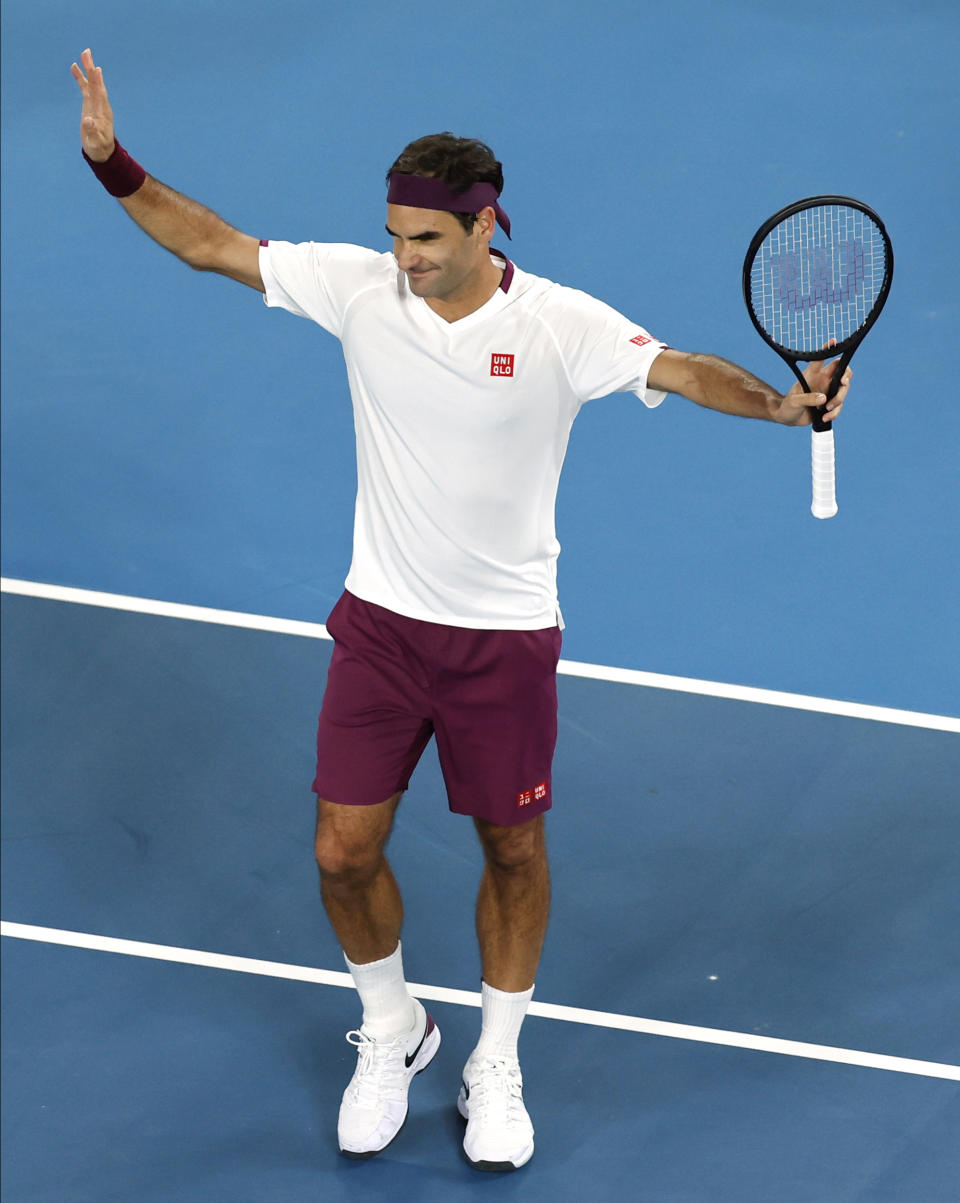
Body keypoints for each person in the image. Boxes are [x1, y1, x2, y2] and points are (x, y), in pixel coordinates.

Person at [71, 47, 850, 1173]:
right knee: (342, 851)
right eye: (395, 235)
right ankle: (394, 1030)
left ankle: (497, 1059)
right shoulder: (361, 290)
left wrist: (781, 406)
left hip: (503, 642)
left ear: (488, 227)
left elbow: (682, 372)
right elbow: (211, 245)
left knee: (511, 847)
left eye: (425, 239)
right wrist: (113, 163)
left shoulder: (562, 325)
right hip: (381, 630)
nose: (404, 257)